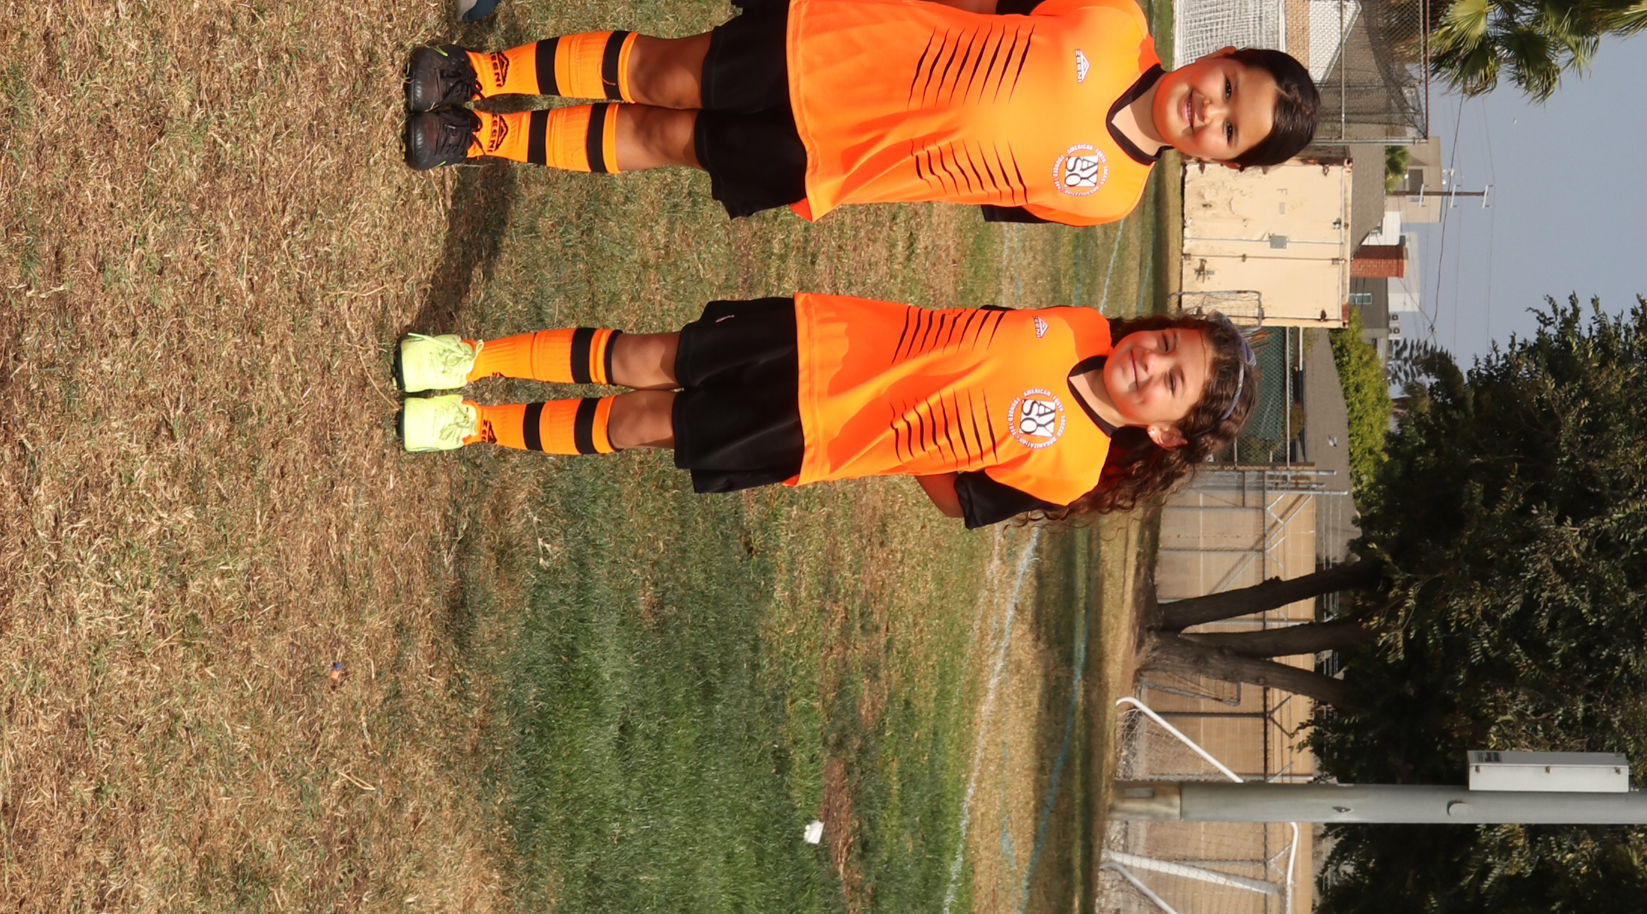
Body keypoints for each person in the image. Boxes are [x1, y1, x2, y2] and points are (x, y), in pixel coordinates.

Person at [399, 0, 1321, 220]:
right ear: (1220, 53)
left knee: (668, 140)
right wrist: (887, 26)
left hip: (840, 160)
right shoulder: (1114, 16)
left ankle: (480, 139)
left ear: (1222, 160)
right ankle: (481, 77)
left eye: (1229, 131)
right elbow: (982, 5)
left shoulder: (1108, 199)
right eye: (1227, 87)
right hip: (836, 53)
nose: (1209, 109)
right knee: (663, 74)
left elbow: (976, 187)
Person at [393, 300, 1255, 527]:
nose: (1150, 361)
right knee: (649, 357)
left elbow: (958, 498)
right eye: (1166, 343)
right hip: (821, 334)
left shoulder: (1070, 471)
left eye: (1169, 381)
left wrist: (913, 435)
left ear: (1164, 431)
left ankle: (476, 425)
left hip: (819, 436)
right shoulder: (1079, 326)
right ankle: (474, 359)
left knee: (645, 423)